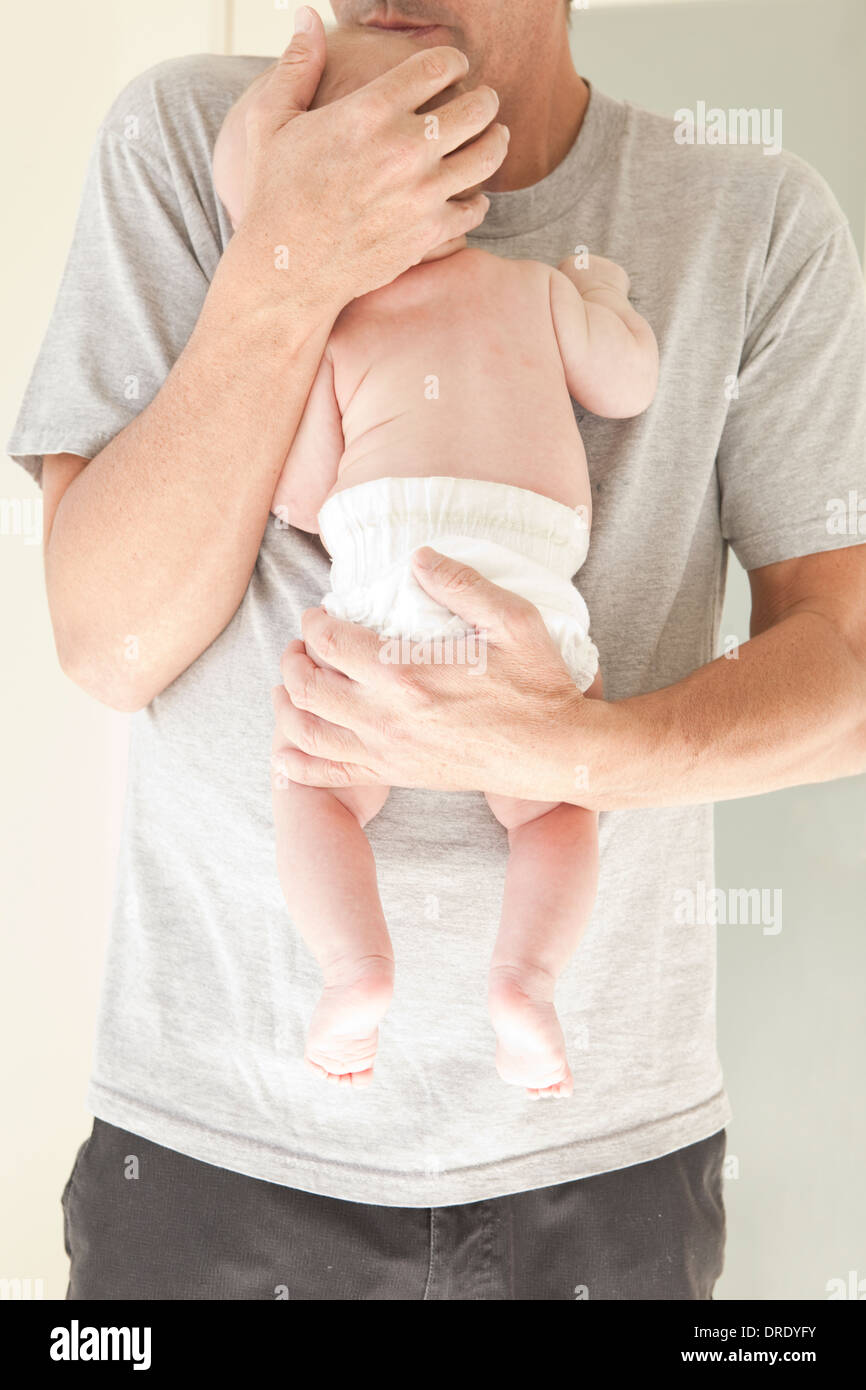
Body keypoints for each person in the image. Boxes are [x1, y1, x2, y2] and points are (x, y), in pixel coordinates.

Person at [8, 1, 865, 1300]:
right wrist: (286, 265)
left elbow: (847, 674)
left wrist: (584, 747)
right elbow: (107, 640)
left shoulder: (751, 218)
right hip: (214, 1148)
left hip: (600, 1161)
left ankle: (522, 981)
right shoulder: (196, 144)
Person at [214, 23, 658, 1097]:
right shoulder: (536, 291)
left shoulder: (340, 330)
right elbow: (628, 386)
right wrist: (603, 296)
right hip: (524, 628)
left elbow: (302, 498)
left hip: (379, 612)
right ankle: (524, 984)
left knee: (315, 788)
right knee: (554, 806)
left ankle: (354, 970)